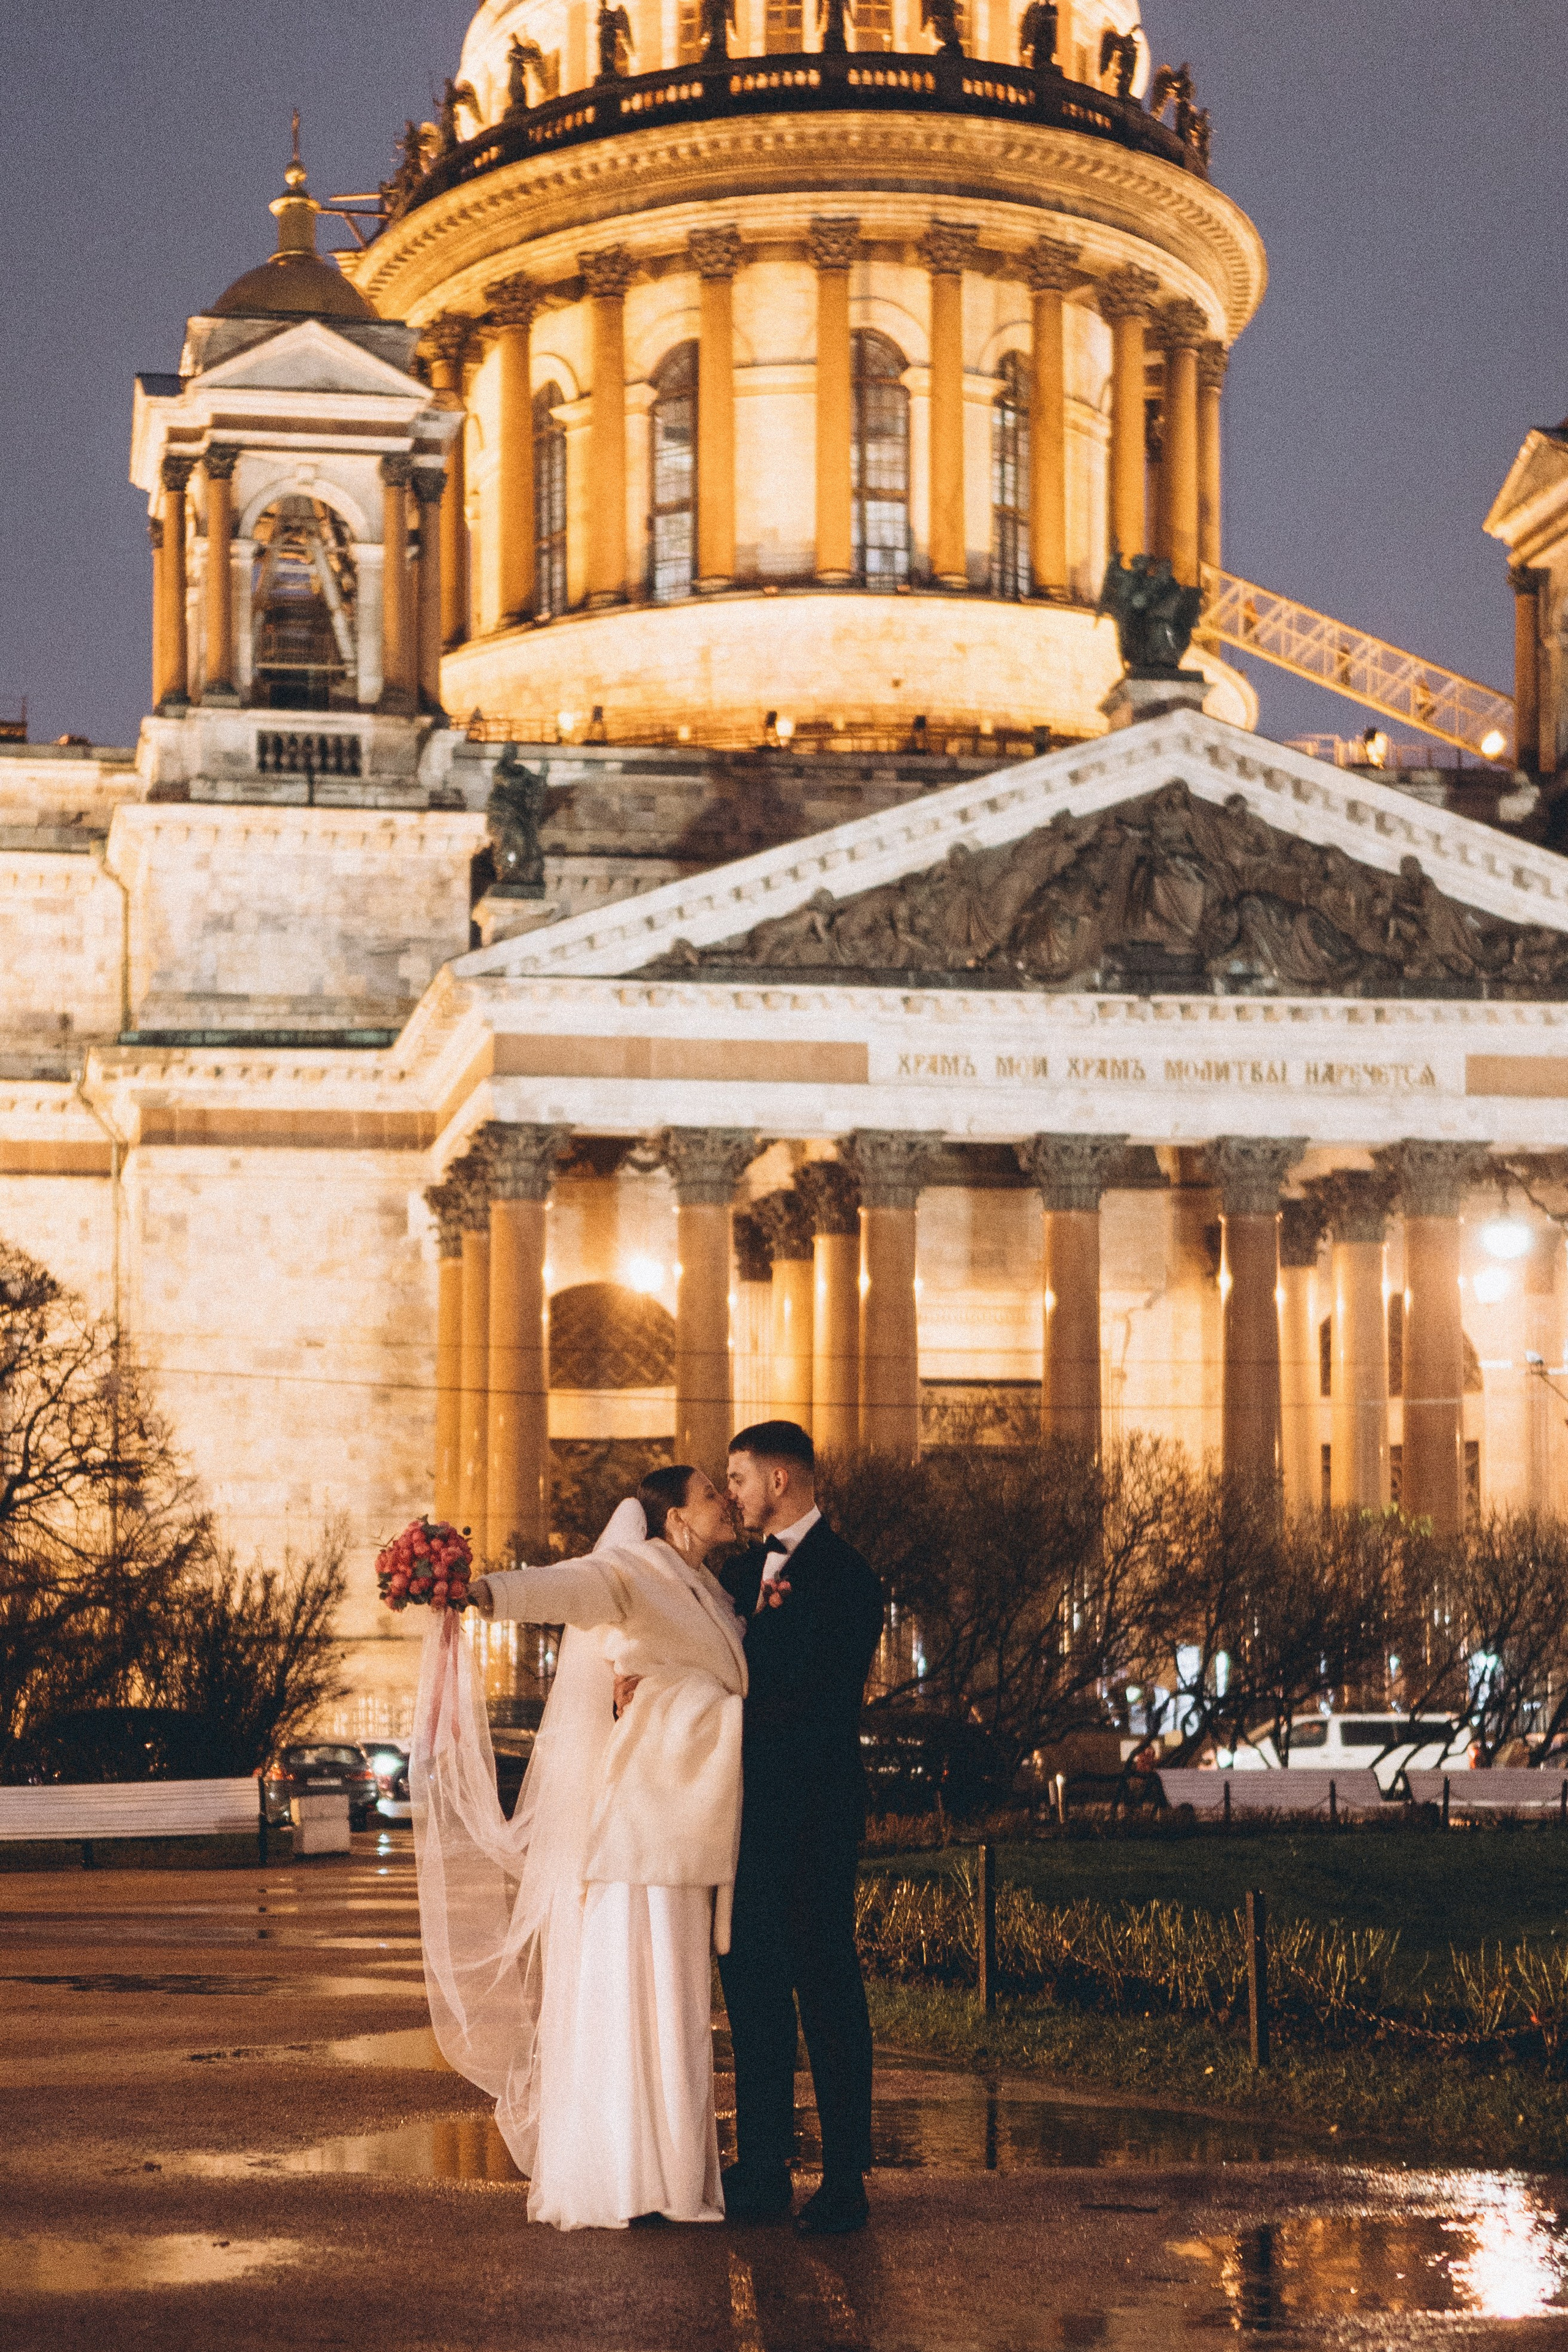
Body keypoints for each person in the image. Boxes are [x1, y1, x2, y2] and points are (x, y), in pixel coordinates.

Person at [411, 1464, 744, 2231]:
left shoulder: (708, 1588)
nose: (724, 1501)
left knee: (678, 2000)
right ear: (674, 1520)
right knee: (643, 1992)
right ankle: (626, 2176)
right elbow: (564, 1587)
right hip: (642, 1828)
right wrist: (479, 1591)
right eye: (708, 1493)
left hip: (680, 1820)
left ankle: (667, 2171)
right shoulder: (634, 1570)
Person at [716, 1419, 886, 2235]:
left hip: (815, 1809)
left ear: (781, 1479)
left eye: (740, 1477)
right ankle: (762, 2166)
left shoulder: (850, 1577)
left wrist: (721, 1717)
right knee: (749, 1985)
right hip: (743, 1814)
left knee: (824, 1982)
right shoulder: (737, 1571)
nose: (733, 1495)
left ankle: (847, 2174)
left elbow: (824, 1697)